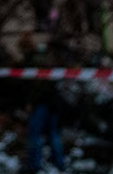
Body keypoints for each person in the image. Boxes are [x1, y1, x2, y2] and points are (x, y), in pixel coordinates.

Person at [21, 34, 67, 173]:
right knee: (53, 133)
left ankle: (35, 165)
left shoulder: (35, 61)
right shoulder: (46, 58)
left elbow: (37, 86)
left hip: (43, 102)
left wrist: (31, 102)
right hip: (53, 101)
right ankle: (59, 163)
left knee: (35, 133)